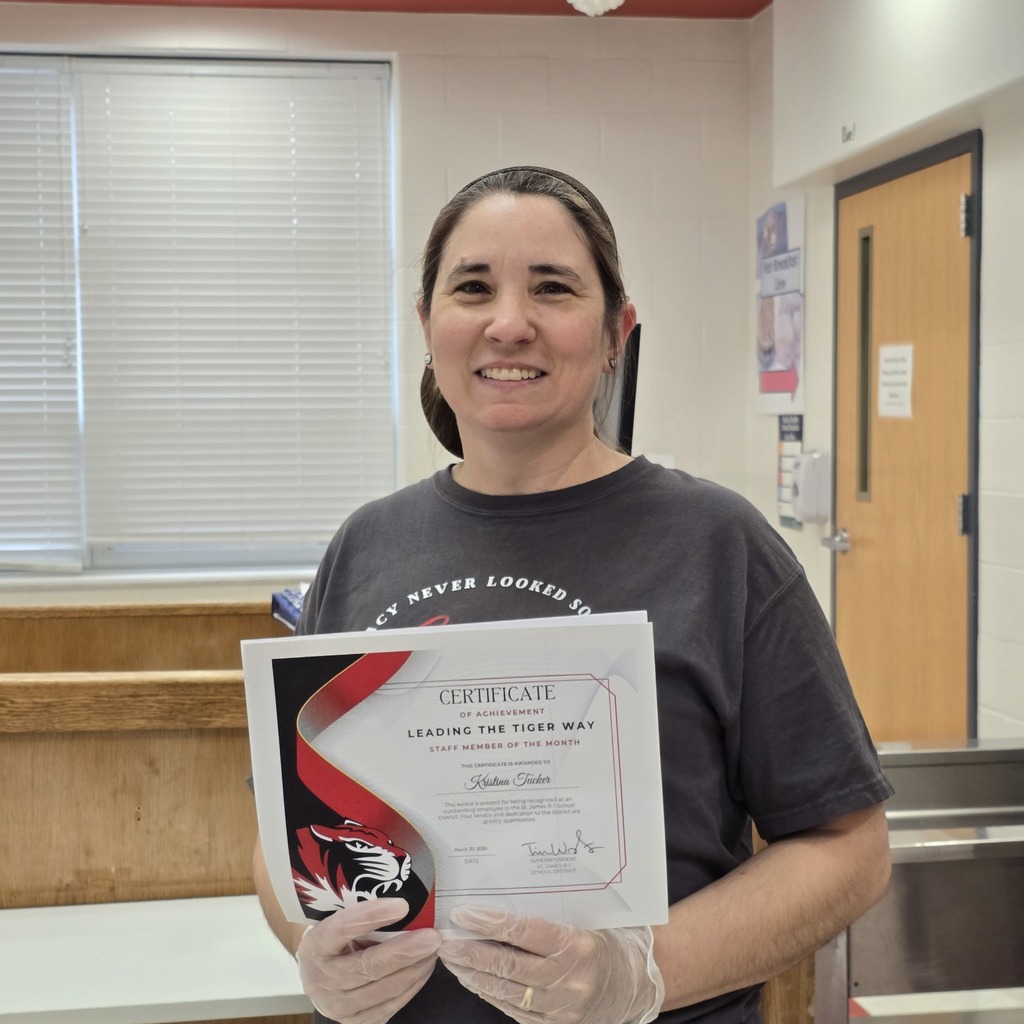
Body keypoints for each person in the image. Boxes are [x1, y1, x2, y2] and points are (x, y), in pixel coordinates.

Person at [253, 166, 893, 1024]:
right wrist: (311, 946)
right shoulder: (368, 544)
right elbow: (278, 825)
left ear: (614, 333)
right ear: (427, 325)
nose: (508, 323)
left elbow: (849, 849)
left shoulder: (717, 544)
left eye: (552, 289)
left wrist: (644, 973)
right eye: (472, 288)